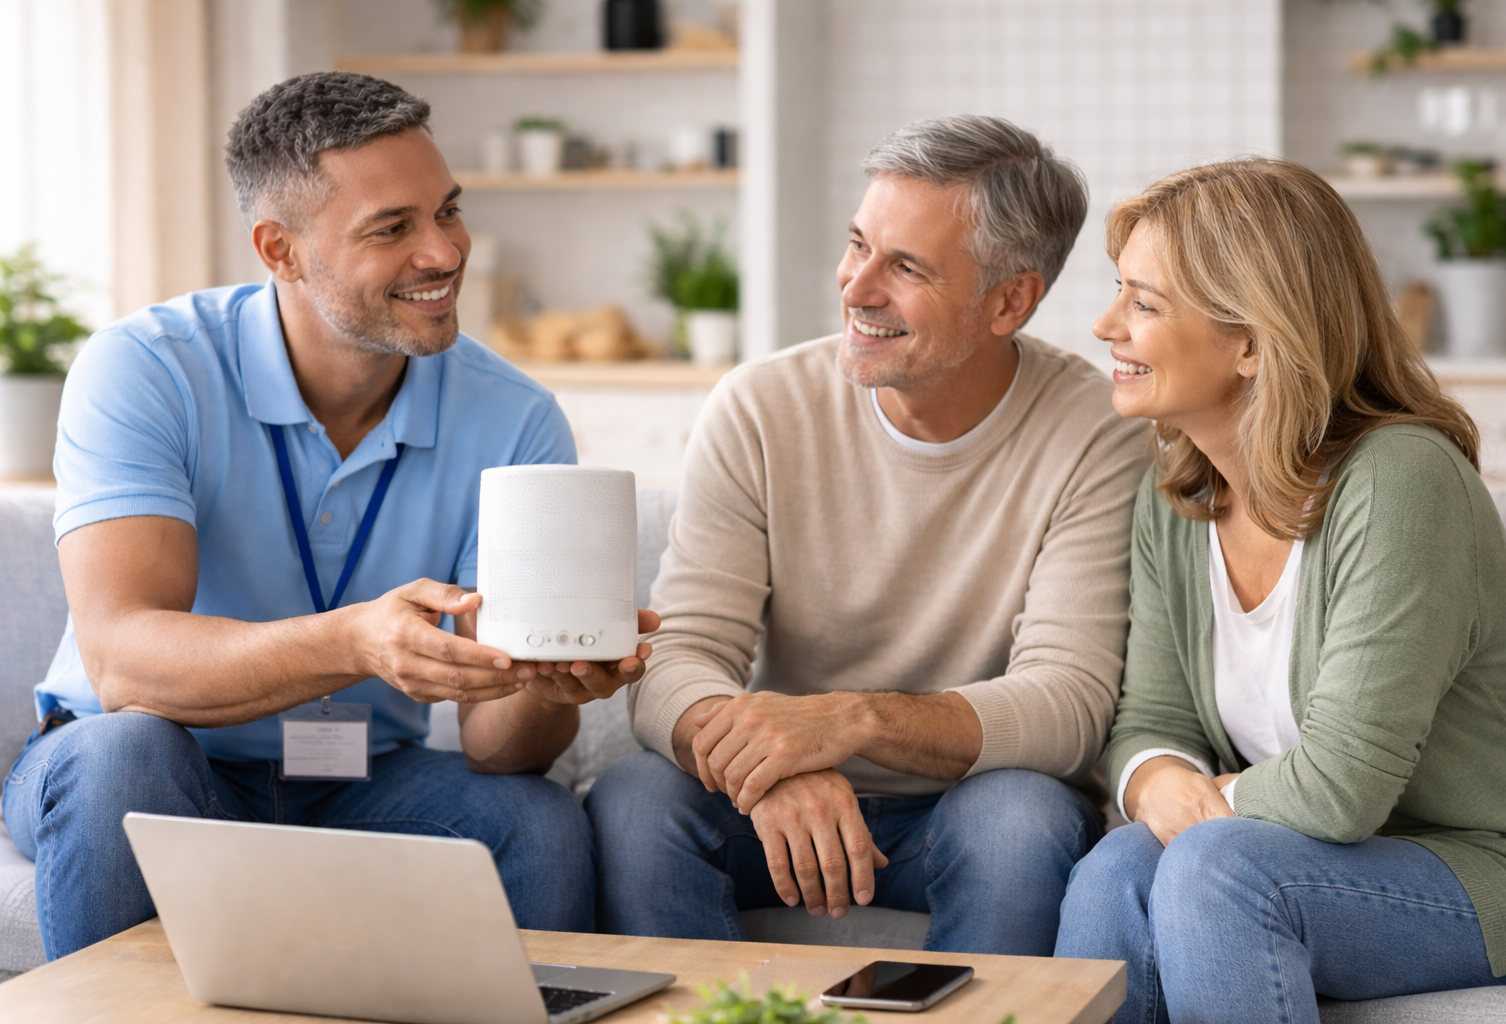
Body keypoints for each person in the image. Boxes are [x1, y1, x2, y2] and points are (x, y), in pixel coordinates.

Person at [1, 71, 654, 960]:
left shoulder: (516, 417)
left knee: (532, 820)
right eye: (393, 229)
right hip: (154, 763)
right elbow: (123, 663)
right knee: (123, 753)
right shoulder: (145, 369)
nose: (445, 252)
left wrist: (546, 681)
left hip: (357, 776)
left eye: (448, 211)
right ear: (280, 251)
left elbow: (502, 752)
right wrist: (354, 642)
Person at [586, 115, 1151, 955]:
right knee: (634, 799)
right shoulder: (761, 406)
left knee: (1019, 821)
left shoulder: (1098, 433)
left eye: (906, 267)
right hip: (771, 806)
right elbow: (679, 650)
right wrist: (774, 764)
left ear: (1010, 300)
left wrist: (852, 722)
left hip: (963, 807)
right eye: (858, 245)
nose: (856, 287)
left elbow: (1067, 703)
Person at [1053, 158, 1506, 1023]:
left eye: (1145, 303)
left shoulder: (1400, 481)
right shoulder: (1175, 497)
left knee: (1218, 870)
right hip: (1315, 857)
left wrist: (1211, 802)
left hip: (1493, 872)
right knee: (1113, 872)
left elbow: (1340, 790)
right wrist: (1156, 780)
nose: (1104, 325)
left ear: (1252, 341)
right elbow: (1150, 722)